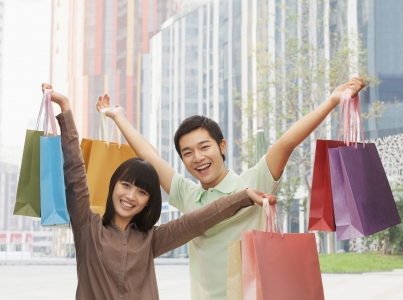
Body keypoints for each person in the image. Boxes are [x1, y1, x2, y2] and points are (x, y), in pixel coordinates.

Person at [97, 77, 366, 299]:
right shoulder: (188, 194)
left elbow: (285, 144)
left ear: (221, 147)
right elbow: (151, 157)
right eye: (187, 153)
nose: (198, 158)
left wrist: (331, 102)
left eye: (204, 147)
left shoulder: (253, 182)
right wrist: (118, 117)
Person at [41, 83, 276, 300]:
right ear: (113, 187)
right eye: (126, 185)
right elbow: (75, 176)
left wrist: (244, 197)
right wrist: (66, 110)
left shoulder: (150, 239)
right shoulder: (87, 228)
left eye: (142, 192)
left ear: (148, 202)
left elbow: (199, 219)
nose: (131, 196)